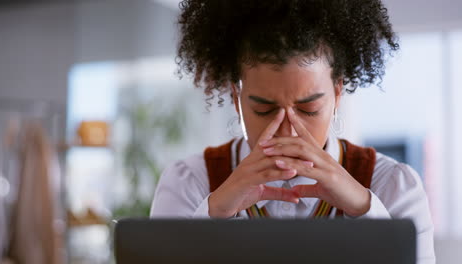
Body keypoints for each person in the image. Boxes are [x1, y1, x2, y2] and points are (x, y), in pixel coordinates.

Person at [150, 1, 435, 263]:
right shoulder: (188, 183)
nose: (287, 131)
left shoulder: (394, 187)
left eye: (308, 108)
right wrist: (214, 215)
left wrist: (364, 208)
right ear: (237, 99)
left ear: (337, 93)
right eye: (264, 110)